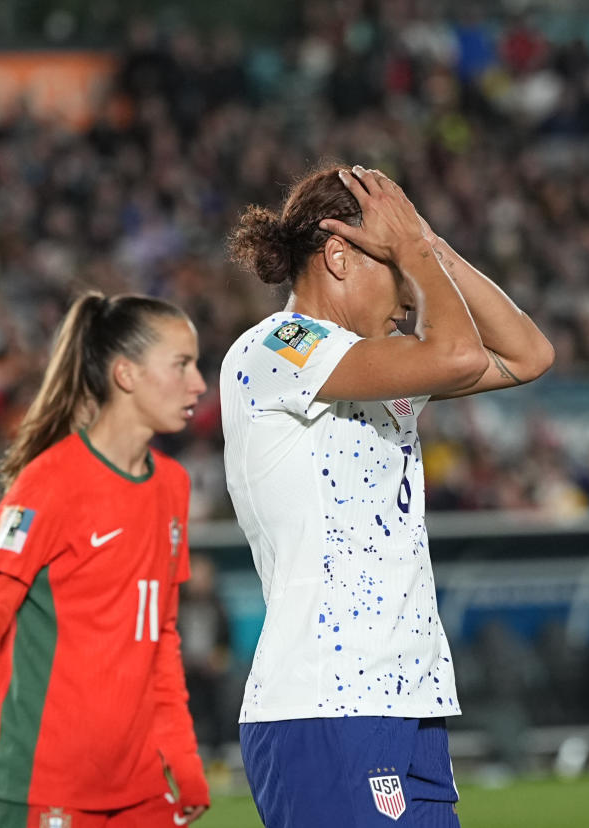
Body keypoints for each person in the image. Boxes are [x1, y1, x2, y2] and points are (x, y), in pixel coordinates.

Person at [222, 164, 553, 827]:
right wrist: (417, 253)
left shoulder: (373, 362)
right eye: (397, 268)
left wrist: (427, 245)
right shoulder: (280, 348)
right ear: (338, 257)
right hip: (325, 702)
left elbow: (528, 355)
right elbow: (460, 355)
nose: (410, 297)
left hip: (407, 697)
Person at [0, 292, 211, 827]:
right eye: (181, 365)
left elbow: (161, 638)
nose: (198, 383)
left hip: (142, 791)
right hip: (43, 789)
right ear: (126, 375)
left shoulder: (173, 486)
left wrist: (183, 757)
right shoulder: (49, 483)